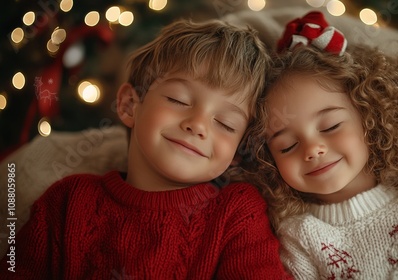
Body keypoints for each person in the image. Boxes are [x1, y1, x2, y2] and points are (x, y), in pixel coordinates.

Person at [1, 18, 292, 279]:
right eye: (178, 100)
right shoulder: (67, 201)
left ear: (238, 151)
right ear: (129, 105)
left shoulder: (237, 212)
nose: (198, 125)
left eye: (226, 124)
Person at [244, 11, 398, 279]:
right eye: (287, 145)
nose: (312, 149)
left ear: (371, 115)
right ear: (269, 159)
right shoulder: (298, 238)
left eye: (331, 126)